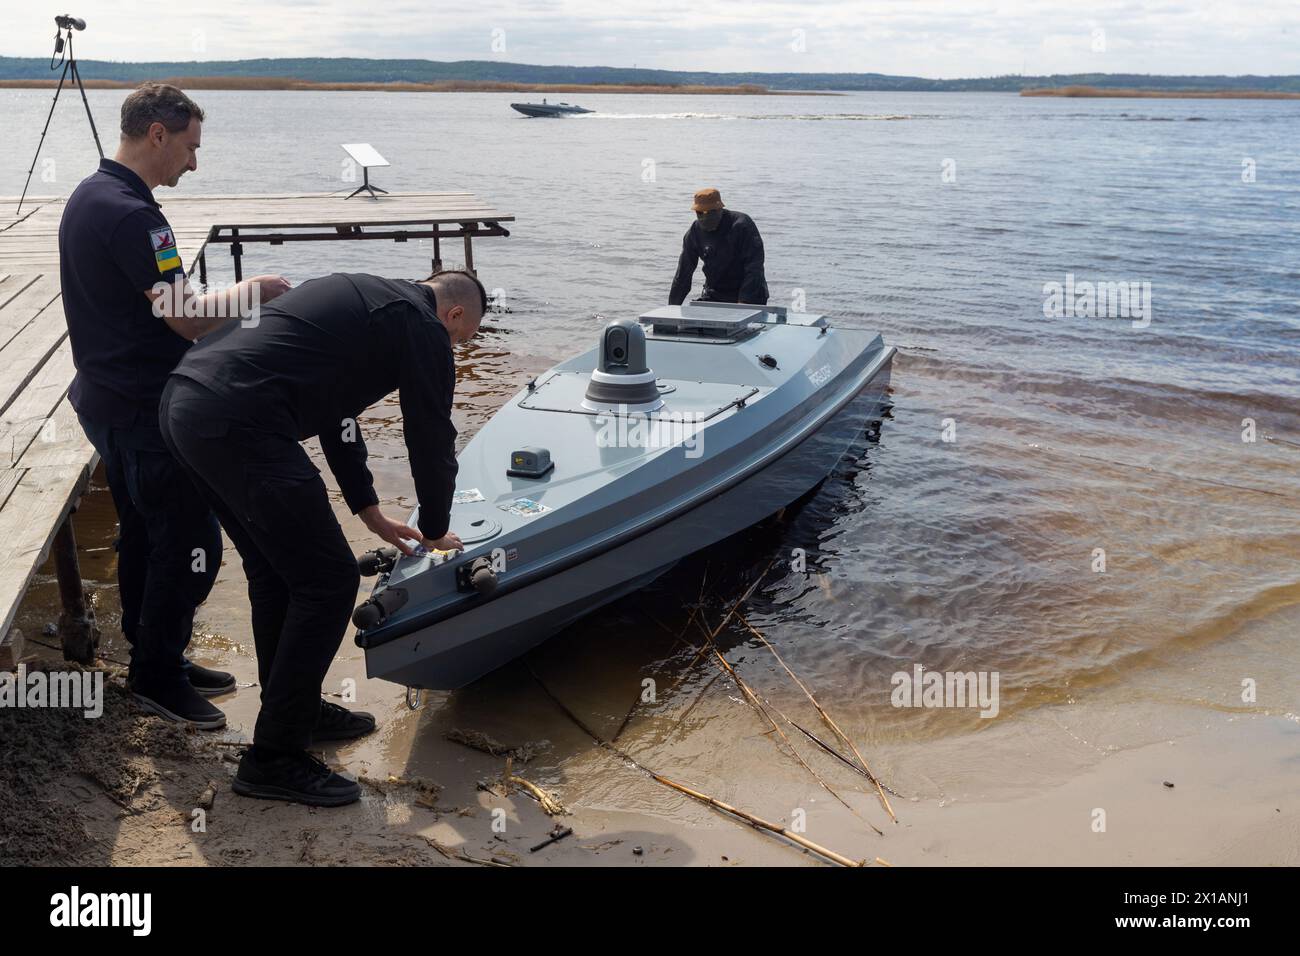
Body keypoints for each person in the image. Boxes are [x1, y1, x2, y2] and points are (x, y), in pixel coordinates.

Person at [159, 270, 485, 806]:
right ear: (453, 316)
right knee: (330, 582)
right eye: (460, 339)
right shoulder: (422, 327)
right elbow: (430, 433)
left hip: (185, 403)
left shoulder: (364, 295)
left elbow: (339, 415)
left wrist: (367, 509)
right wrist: (433, 526)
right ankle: (275, 758)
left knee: (276, 573)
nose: (452, 349)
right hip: (242, 421)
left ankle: (294, 712)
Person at [58, 82, 290, 730]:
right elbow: (186, 319)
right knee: (191, 542)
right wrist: (255, 293)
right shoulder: (138, 216)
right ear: (157, 134)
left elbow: (152, 303)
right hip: (138, 407)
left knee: (144, 531)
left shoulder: (88, 195)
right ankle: (158, 676)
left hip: (102, 399)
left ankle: (157, 658)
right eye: (190, 147)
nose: (194, 162)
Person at [668, 187, 768, 306]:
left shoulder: (742, 226)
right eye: (700, 213)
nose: (705, 218)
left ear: (720, 209)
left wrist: (743, 303)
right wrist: (671, 308)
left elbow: (754, 267)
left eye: (711, 213)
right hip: (715, 294)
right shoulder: (694, 232)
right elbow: (683, 273)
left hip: (750, 293)